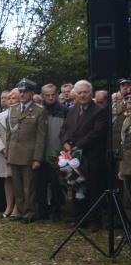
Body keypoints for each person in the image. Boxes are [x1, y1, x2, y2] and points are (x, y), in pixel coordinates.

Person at [60, 80, 107, 231]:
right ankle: (79, 218)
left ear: (91, 93)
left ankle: (94, 220)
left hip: (91, 157)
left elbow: (97, 133)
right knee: (77, 187)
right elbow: (64, 130)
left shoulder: (99, 111)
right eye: (79, 93)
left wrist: (77, 146)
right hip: (74, 159)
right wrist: (66, 142)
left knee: (93, 189)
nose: (82, 95)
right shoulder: (72, 110)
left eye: (85, 92)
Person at [6, 79, 47, 224]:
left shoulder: (39, 111)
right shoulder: (13, 109)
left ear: (31, 93)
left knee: (29, 186)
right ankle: (20, 210)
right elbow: (9, 134)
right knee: (17, 185)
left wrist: (37, 158)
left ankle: (29, 212)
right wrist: (8, 154)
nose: (22, 94)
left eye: (25, 92)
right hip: (14, 153)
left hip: (29, 155)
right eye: (20, 91)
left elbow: (41, 137)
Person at [37, 83, 68, 221]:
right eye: (47, 95)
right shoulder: (38, 111)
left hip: (57, 154)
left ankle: (57, 212)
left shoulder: (65, 111)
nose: (50, 97)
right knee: (40, 185)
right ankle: (42, 212)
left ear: (56, 94)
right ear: (42, 96)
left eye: (52, 95)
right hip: (40, 155)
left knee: (56, 186)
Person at [0, 90, 18, 218]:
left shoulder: (23, 114)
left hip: (18, 152)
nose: (11, 100)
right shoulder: (1, 115)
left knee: (18, 179)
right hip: (3, 152)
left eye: (13, 98)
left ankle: (18, 207)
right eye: (9, 98)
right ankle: (9, 206)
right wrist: (2, 149)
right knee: (7, 179)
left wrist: (12, 150)